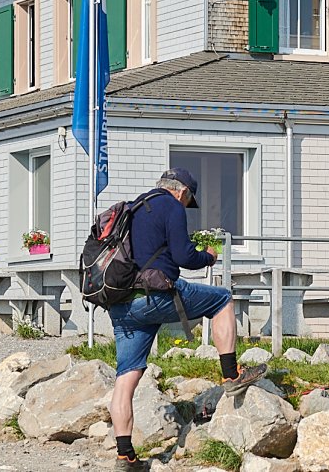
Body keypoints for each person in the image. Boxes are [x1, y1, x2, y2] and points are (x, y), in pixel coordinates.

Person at [108, 168, 251, 471]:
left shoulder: (133, 207)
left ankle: (125, 455)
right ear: (183, 191)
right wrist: (209, 256)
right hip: (156, 294)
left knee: (126, 376)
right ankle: (230, 375)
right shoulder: (171, 206)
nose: (187, 205)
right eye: (189, 199)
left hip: (122, 304)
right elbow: (184, 256)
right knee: (222, 299)